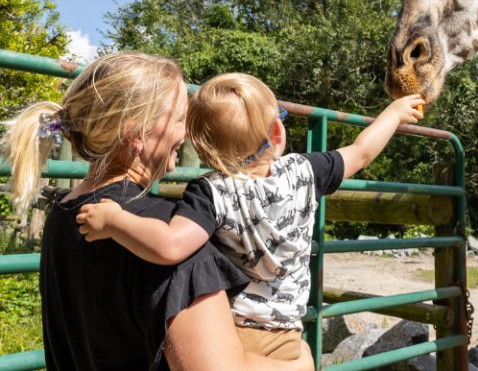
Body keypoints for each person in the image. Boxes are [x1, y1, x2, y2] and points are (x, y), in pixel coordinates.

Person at [77, 72, 424, 360]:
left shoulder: (210, 191)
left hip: (237, 332)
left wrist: (113, 221)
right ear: (276, 133)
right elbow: (362, 151)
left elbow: (170, 245)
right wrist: (393, 113)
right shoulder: (305, 171)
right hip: (289, 333)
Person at [1, 53, 314, 371]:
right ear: (136, 134)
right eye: (181, 118)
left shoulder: (65, 212)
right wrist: (298, 366)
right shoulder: (171, 237)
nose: (188, 134)